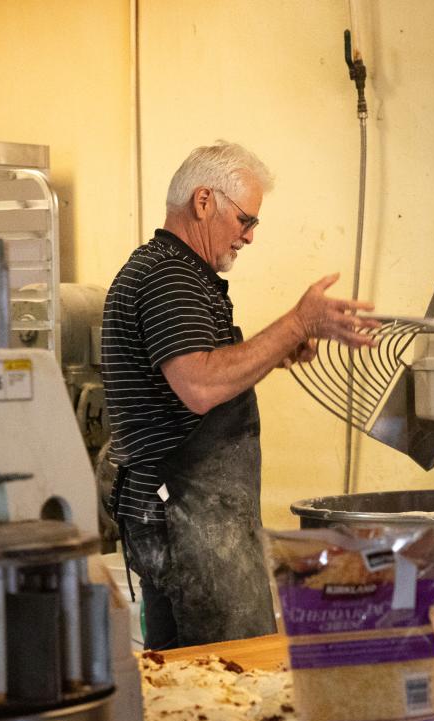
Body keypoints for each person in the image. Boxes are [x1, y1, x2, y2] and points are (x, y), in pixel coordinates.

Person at [101, 140, 376, 649]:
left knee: (191, 679)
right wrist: (296, 321)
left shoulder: (174, 272)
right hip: (189, 523)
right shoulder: (169, 276)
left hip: (192, 521)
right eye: (245, 220)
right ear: (204, 202)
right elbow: (200, 385)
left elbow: (210, 373)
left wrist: (277, 350)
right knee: (234, 669)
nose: (248, 237)